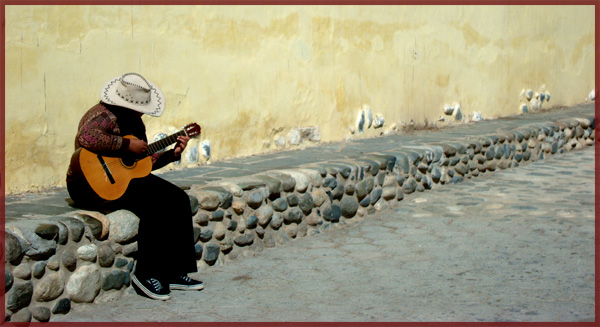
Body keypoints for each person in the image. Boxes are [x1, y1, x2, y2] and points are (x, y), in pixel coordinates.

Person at [66, 73, 203, 300]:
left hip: (120, 183)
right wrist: (127, 144)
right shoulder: (101, 115)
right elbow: (85, 138)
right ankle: (146, 274)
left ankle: (175, 272)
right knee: (154, 205)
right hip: (88, 186)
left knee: (178, 198)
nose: (142, 112)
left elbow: (140, 163)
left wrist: (172, 154)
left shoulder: (134, 122)